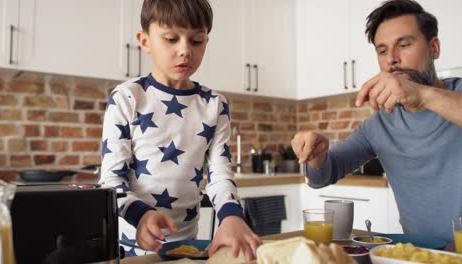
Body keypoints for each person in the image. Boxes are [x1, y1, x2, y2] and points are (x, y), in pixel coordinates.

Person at [100, 0, 260, 260]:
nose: (185, 50)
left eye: (196, 41)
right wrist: (141, 216)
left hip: (188, 246)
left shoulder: (215, 104)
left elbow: (219, 174)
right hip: (131, 249)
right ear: (145, 41)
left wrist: (232, 216)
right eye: (171, 39)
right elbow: (110, 182)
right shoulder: (127, 97)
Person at [292, 0, 462, 242]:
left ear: (434, 48)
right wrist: (317, 156)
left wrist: (422, 95)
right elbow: (320, 178)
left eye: (404, 44)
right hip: (420, 255)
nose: (392, 58)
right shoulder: (379, 126)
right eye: (382, 51)